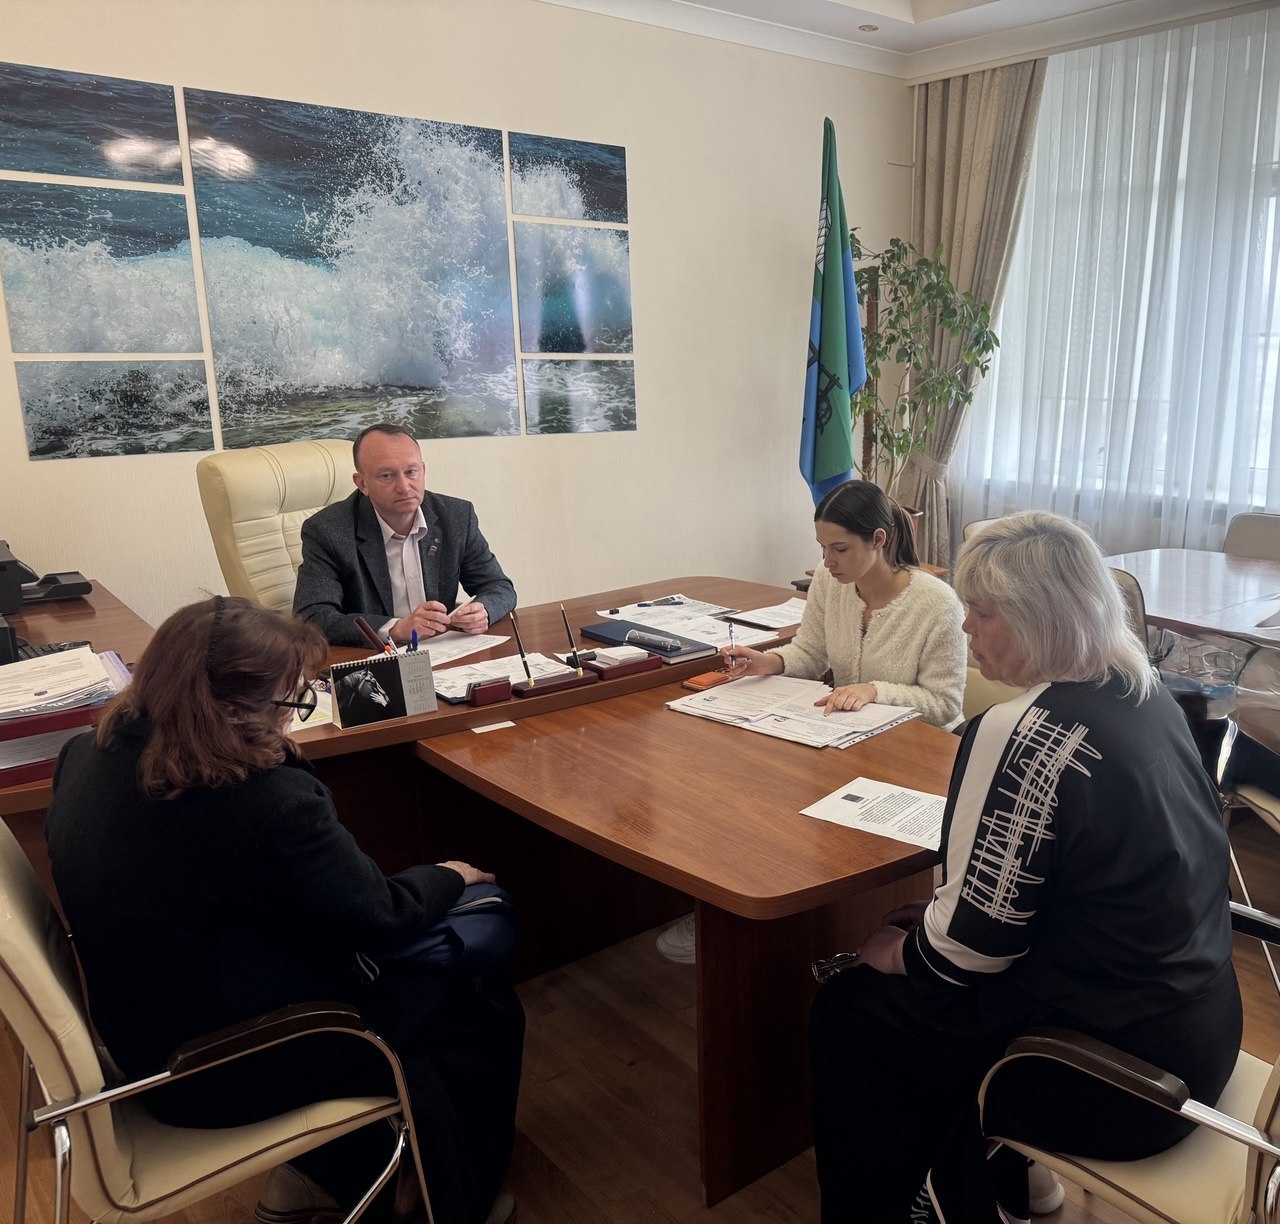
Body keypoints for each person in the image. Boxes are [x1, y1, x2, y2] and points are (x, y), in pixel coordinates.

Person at [809, 512, 1241, 1223]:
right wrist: (937, 928)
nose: (966, 628)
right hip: (1200, 1034)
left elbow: (962, 958)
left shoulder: (1024, 733)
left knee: (854, 1011)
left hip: (1114, 1083)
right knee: (928, 972)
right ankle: (1013, 1185)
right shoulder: (1143, 690)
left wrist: (897, 954)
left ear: (1040, 619)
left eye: (982, 613)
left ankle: (897, 1207)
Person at [45, 596, 523, 1224]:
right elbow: (382, 913)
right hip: (221, 1064)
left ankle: (319, 1179)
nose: (294, 718)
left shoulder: (86, 753)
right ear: (228, 709)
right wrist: (449, 873)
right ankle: (454, 1203)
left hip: (140, 1039)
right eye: (290, 702)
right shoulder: (261, 800)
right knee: (474, 1001)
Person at [721, 480, 967, 730]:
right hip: (848, 731)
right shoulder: (828, 579)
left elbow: (945, 704)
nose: (828, 561)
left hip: (920, 739)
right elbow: (810, 652)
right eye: (823, 547)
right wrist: (769, 662)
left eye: (840, 549)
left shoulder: (938, 603)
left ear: (877, 539)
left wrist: (874, 692)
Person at [294, 424, 516, 646]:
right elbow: (312, 617)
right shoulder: (327, 531)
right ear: (362, 483)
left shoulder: (456, 516)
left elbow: (499, 587)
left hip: (443, 650)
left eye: (411, 472)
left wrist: (483, 610)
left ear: (423, 471)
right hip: (375, 655)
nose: (404, 486)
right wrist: (396, 628)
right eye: (387, 476)